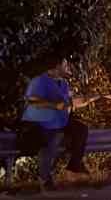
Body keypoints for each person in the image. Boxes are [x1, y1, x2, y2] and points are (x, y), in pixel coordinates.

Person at [20, 59, 90, 188]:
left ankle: (74, 167)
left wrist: (80, 102)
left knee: (81, 129)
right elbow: (32, 101)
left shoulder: (64, 83)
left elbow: (66, 103)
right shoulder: (39, 81)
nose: (68, 67)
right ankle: (46, 179)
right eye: (65, 65)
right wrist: (53, 105)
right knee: (53, 138)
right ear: (57, 66)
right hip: (42, 121)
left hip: (60, 120)